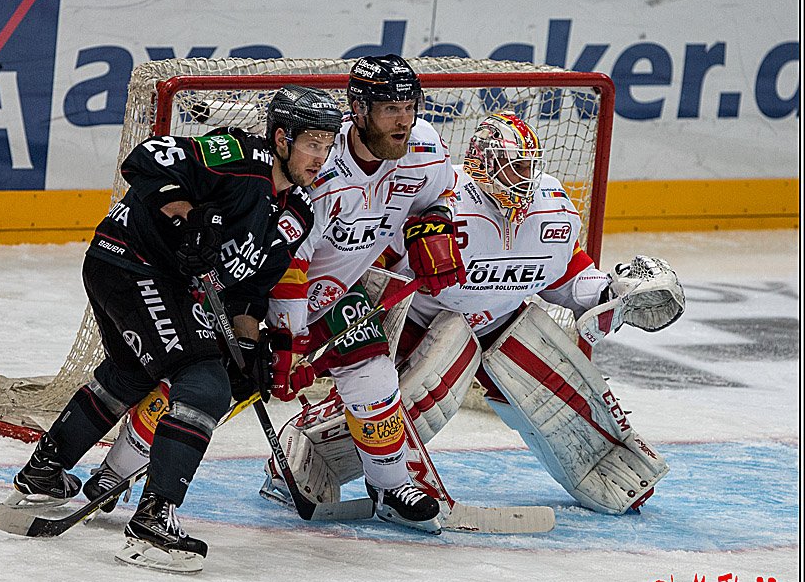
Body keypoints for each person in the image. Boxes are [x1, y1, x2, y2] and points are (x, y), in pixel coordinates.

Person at [270, 113, 686, 516]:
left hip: (503, 321)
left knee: (565, 399)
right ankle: (308, 452)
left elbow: (566, 275)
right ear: (483, 163)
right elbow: (368, 260)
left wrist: (611, 293)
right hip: (426, 321)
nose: (524, 178)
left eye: (529, 166)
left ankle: (602, 470)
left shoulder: (551, 208)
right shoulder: (442, 196)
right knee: (412, 402)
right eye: (513, 166)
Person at [2, 84, 343, 573]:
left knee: (132, 374)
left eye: (329, 145)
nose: (321, 156)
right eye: (313, 143)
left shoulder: (296, 215)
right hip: (133, 262)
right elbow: (149, 160)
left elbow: (248, 295)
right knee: (204, 384)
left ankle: (43, 474)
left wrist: (247, 349)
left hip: (153, 280)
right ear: (282, 138)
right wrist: (186, 219)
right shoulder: (238, 156)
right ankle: (152, 522)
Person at [261, 55, 468, 534]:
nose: (404, 120)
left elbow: (438, 196)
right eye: (390, 108)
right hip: (267, 297)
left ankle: (390, 485)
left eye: (410, 106)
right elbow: (289, 265)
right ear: (356, 109)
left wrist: (433, 224)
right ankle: (109, 470)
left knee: (374, 373)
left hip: (337, 295)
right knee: (202, 384)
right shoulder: (320, 172)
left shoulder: (424, 150)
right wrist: (288, 343)